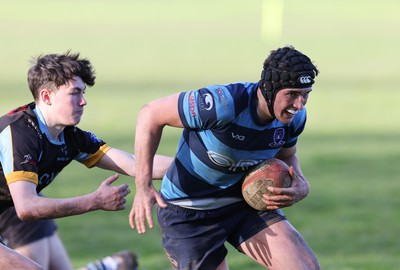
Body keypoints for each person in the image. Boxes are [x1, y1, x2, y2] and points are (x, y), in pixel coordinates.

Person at [129, 45, 321, 270]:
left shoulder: (294, 119)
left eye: (305, 95)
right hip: (188, 210)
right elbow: (150, 114)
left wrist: (301, 184)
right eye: (292, 94)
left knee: (304, 267)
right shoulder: (222, 104)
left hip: (244, 202)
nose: (299, 105)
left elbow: (287, 155)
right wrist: (143, 186)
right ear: (268, 87)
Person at [0, 51, 172, 270]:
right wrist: (94, 201)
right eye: (75, 93)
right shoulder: (20, 133)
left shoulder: (71, 136)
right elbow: (27, 207)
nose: (84, 101)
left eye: (83, 92)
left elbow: (133, 162)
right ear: (46, 96)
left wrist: (200, 165)